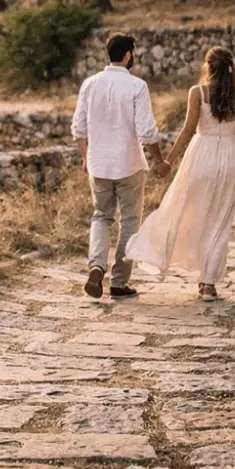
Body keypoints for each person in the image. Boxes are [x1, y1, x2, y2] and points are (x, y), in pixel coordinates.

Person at [126, 46, 235, 301]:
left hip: (201, 156)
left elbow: (187, 131)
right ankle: (208, 284)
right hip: (231, 158)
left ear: (208, 67)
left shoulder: (198, 92)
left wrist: (168, 162)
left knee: (183, 209)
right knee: (220, 222)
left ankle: (165, 254)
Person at [70, 31, 168, 299]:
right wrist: (158, 159)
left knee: (101, 217)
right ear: (127, 55)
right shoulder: (137, 86)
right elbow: (147, 132)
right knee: (129, 222)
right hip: (129, 165)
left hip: (98, 165)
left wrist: (84, 156)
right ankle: (119, 282)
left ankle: (97, 266)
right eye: (132, 53)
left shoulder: (89, 84)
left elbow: (78, 128)